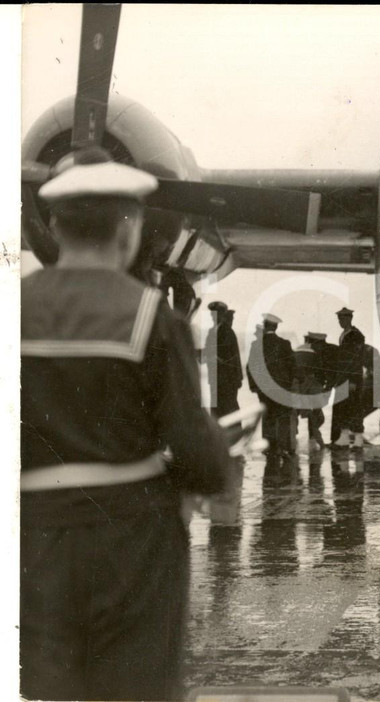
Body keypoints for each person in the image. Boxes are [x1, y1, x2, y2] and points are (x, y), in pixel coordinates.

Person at [20, 148, 232, 701]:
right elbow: (198, 457)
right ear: (128, 229)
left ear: (55, 228)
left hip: (27, 538)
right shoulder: (152, 316)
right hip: (131, 543)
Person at [247, 313, 297, 457]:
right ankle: (283, 448)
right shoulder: (284, 344)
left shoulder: (256, 344)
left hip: (264, 388)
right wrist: (290, 382)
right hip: (282, 387)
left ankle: (269, 447)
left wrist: (254, 386)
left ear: (264, 326)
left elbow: (251, 367)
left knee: (268, 417)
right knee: (283, 416)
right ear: (276, 327)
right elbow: (292, 365)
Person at [205, 301, 243, 418]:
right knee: (217, 411)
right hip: (216, 379)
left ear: (222, 315)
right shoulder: (212, 331)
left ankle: (234, 430)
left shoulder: (226, 331)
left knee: (229, 410)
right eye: (212, 314)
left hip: (227, 379)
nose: (213, 317)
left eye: (216, 314)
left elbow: (229, 357)